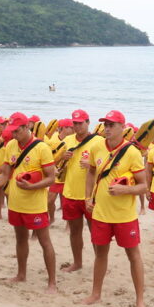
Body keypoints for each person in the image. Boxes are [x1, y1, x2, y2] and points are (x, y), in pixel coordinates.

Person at [0, 112, 57, 293]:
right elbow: (5, 174)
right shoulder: (11, 145)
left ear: (26, 127)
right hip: (15, 202)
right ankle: (21, 274)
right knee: (20, 239)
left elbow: (51, 178)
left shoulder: (41, 148)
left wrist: (33, 186)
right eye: (11, 131)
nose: (13, 134)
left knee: (45, 241)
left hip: (35, 204)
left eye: (17, 131)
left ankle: (52, 282)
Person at [82, 110, 148, 307]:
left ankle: (140, 300)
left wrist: (125, 190)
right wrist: (87, 197)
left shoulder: (132, 153)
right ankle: (96, 294)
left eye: (111, 125)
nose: (107, 128)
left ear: (122, 127)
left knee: (133, 255)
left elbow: (144, 186)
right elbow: (92, 171)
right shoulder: (96, 147)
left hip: (124, 215)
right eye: (105, 124)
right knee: (100, 254)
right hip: (101, 212)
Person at [60, 110, 100, 272]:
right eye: (74, 123)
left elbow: (105, 167)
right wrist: (63, 157)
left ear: (88, 122)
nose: (77, 126)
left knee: (96, 232)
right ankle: (77, 262)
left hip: (90, 195)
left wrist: (92, 166)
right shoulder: (68, 140)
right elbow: (58, 165)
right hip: (70, 192)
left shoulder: (98, 141)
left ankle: (100, 262)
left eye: (80, 123)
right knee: (75, 232)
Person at [47, 118, 74, 224]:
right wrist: (61, 157)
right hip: (57, 175)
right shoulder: (53, 141)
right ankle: (52, 218)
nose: (74, 129)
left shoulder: (74, 140)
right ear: (63, 128)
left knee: (67, 203)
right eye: (71, 128)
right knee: (50, 201)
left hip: (70, 176)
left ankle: (68, 224)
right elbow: (49, 161)